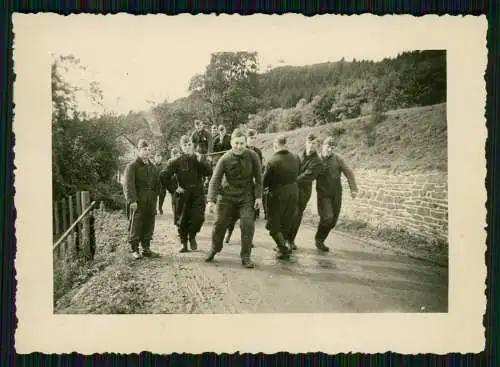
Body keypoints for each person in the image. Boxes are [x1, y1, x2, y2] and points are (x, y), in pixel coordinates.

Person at [205, 128, 263, 268]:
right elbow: (215, 179)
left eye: (242, 143)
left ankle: (246, 256)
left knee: (248, 224)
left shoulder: (253, 156)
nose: (239, 147)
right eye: (236, 143)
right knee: (219, 223)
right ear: (231, 143)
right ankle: (214, 248)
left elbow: (259, 178)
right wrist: (211, 201)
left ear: (245, 143)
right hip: (227, 196)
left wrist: (258, 197)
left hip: (246, 197)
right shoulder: (224, 159)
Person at [161, 135, 212, 253]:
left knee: (198, 218)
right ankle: (184, 244)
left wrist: (203, 161)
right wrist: (174, 188)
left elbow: (209, 172)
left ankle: (192, 236)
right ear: (181, 147)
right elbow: (163, 175)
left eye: (189, 144)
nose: (188, 147)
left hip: (198, 193)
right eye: (185, 145)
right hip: (183, 195)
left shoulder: (198, 159)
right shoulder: (177, 161)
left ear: (193, 145)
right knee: (182, 220)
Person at [315, 137, 359, 252]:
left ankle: (321, 238)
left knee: (333, 221)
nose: (329, 149)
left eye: (332, 148)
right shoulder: (317, 159)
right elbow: (308, 174)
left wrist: (353, 189)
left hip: (336, 194)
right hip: (323, 194)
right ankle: (319, 239)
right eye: (328, 147)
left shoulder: (338, 159)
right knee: (328, 217)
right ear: (323, 146)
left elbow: (348, 172)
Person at [262, 135, 300, 260]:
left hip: (277, 194)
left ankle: (284, 249)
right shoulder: (295, 157)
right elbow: (298, 172)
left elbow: (265, 181)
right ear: (286, 144)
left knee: (273, 225)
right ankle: (281, 246)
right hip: (293, 192)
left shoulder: (273, 161)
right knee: (285, 222)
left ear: (275, 146)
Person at [123, 139, 161, 259]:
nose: (147, 152)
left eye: (149, 150)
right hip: (138, 201)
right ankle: (134, 249)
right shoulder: (132, 166)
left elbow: (157, 184)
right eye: (144, 150)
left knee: (149, 223)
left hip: (151, 201)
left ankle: (146, 248)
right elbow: (128, 185)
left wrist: (155, 196)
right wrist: (132, 200)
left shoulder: (153, 167)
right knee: (136, 224)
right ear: (138, 151)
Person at [224, 128, 263, 244]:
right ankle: (228, 233)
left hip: (250, 186)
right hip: (235, 187)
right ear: (247, 140)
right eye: (251, 138)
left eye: (254, 138)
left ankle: (248, 239)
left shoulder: (257, 153)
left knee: (249, 218)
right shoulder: (237, 150)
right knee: (231, 216)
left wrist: (258, 191)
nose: (253, 141)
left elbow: (259, 170)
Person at [287, 133, 324, 251]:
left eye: (314, 144)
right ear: (305, 143)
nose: (311, 146)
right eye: (309, 143)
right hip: (291, 189)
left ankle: (291, 240)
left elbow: (307, 176)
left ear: (317, 145)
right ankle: (283, 239)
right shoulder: (298, 156)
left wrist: (290, 181)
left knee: (296, 215)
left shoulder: (318, 162)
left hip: (303, 192)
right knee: (287, 214)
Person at [161, 147, 181, 216]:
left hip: (181, 185)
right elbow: (165, 176)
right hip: (174, 186)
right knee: (175, 200)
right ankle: (176, 215)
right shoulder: (170, 163)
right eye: (176, 156)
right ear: (172, 156)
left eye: (179, 155)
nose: (178, 157)